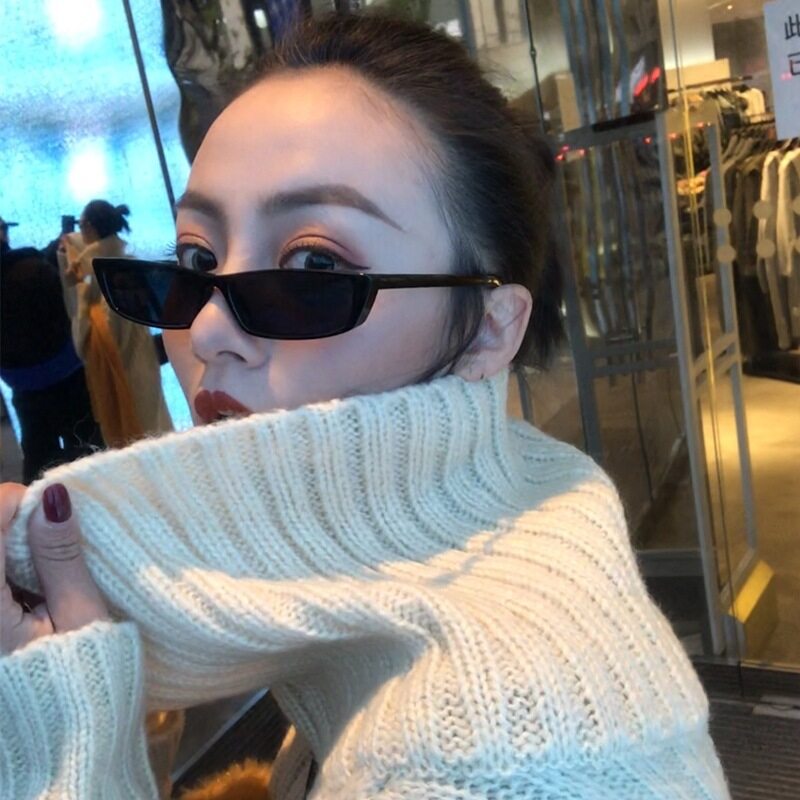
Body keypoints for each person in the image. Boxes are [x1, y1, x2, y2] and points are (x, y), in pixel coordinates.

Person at [0, 13, 729, 800]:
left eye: (314, 265)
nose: (206, 329)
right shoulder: (501, 505)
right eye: (196, 258)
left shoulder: (483, 756)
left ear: (489, 329)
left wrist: (63, 754)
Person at [60, 199, 172, 447]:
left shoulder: (93, 271)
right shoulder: (124, 259)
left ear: (90, 226)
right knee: (153, 415)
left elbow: (89, 332)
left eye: (81, 224)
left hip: (120, 359)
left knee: (135, 427)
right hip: (141, 353)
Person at [0, 223, 103, 483]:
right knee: (86, 445)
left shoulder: (30, 266)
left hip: (23, 384)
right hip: (66, 373)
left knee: (38, 454)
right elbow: (68, 311)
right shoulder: (34, 268)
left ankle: (39, 503)